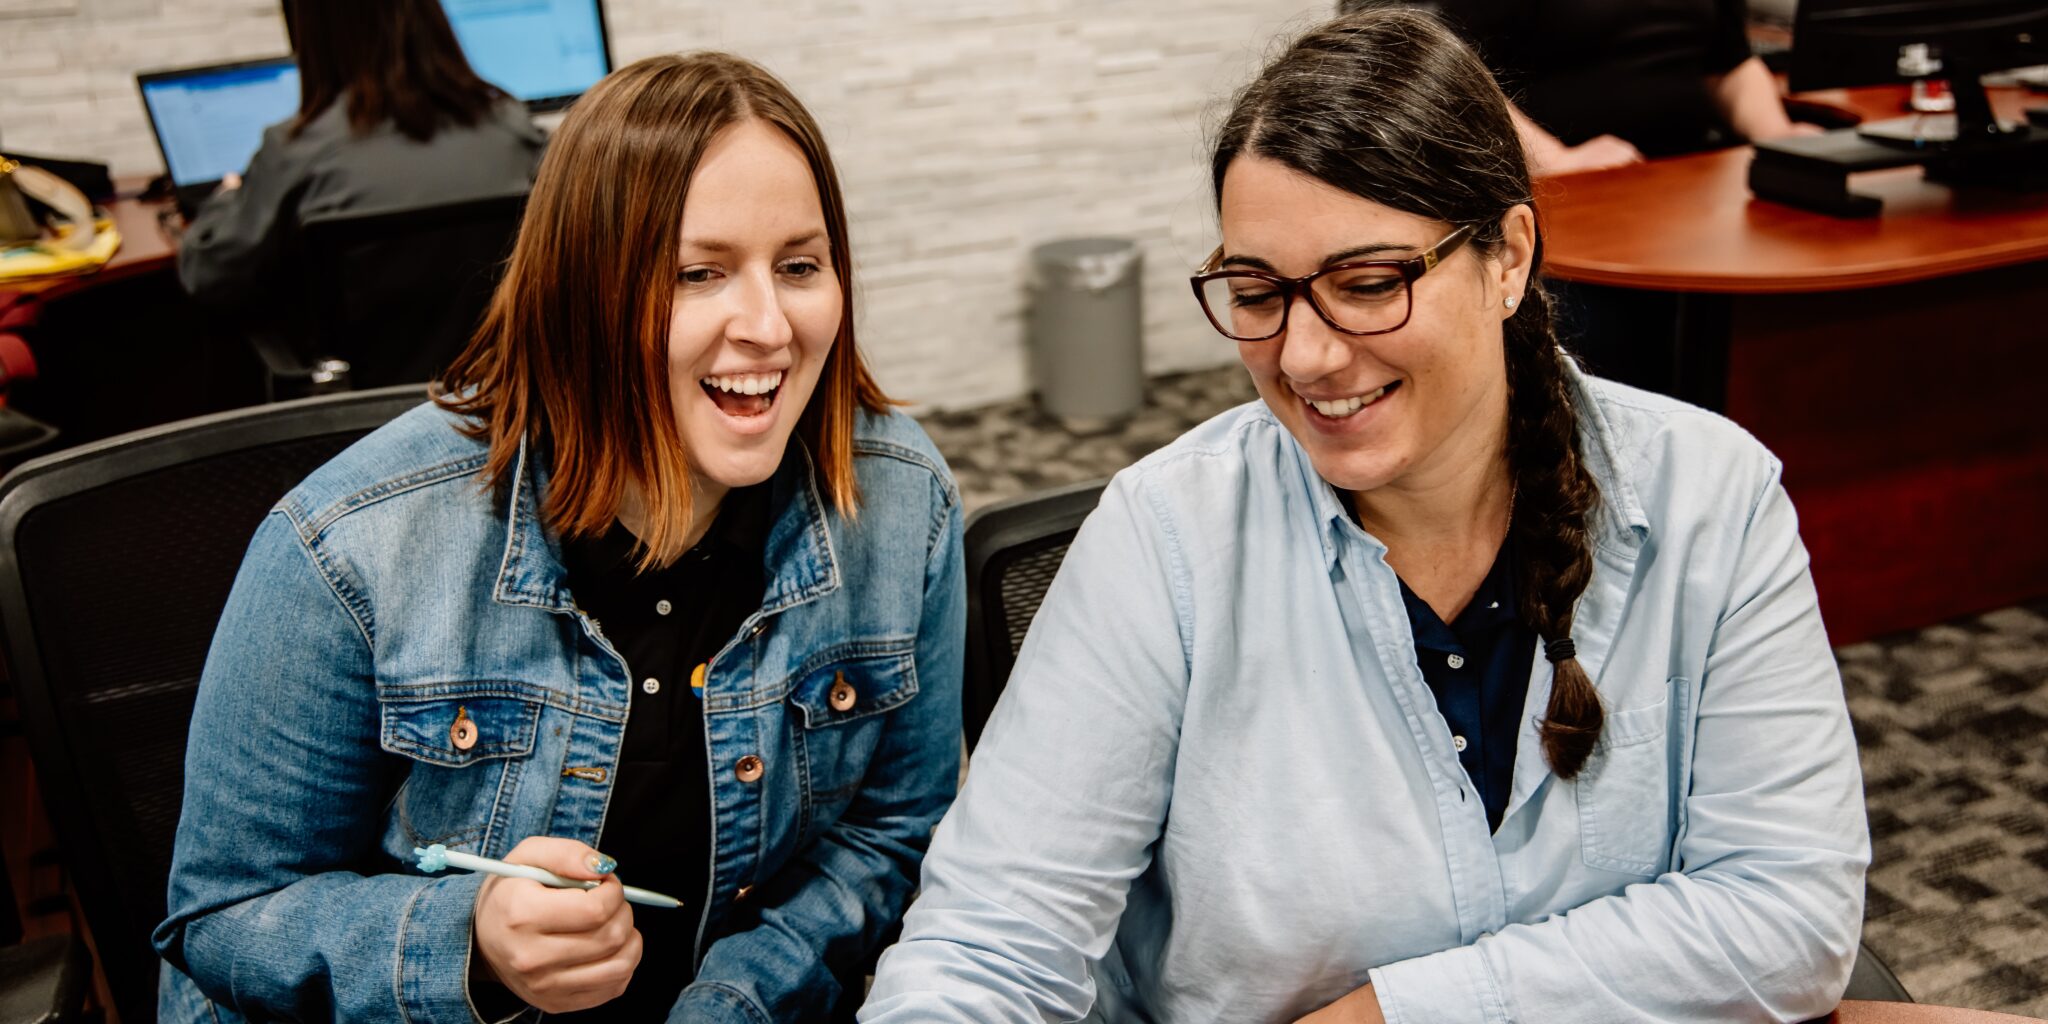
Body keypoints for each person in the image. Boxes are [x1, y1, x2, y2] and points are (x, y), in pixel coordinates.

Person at [862, 9, 1867, 1023]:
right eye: (1256, 292)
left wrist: (1389, 1012)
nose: (1303, 356)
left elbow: (1788, 910)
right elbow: (987, 945)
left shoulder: (1711, 498)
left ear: (1507, 258)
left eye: (1367, 283)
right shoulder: (1166, 538)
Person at [154, 52, 965, 1024]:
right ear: (583, 296)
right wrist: (473, 938)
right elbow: (223, 915)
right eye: (696, 274)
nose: (767, 324)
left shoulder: (899, 497)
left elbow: (890, 834)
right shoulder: (352, 541)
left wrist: (734, 1000)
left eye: (799, 266)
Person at [176, 0, 543, 310]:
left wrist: (223, 201)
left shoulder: (298, 149)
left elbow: (207, 273)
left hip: (365, 386)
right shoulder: (511, 125)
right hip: (500, 374)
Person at [1340, 0, 1819, 175]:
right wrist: (1559, 162)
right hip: (1567, 192)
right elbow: (1461, 71)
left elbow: (1728, 62)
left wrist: (1777, 135)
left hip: (1679, 185)